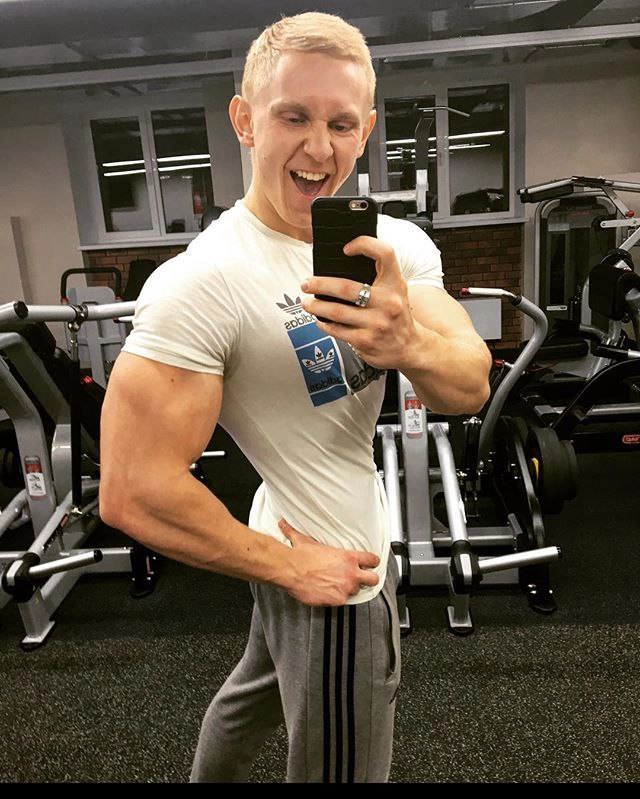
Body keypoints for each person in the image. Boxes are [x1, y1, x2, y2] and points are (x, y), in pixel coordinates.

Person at [99, 12, 491, 783]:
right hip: (331, 573)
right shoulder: (203, 281)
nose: (319, 148)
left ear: (367, 130)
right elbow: (132, 486)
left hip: (299, 531)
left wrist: (408, 343)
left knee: (248, 700)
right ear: (245, 120)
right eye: (293, 117)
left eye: (341, 124)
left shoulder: (392, 247)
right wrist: (287, 566)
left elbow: (469, 385)